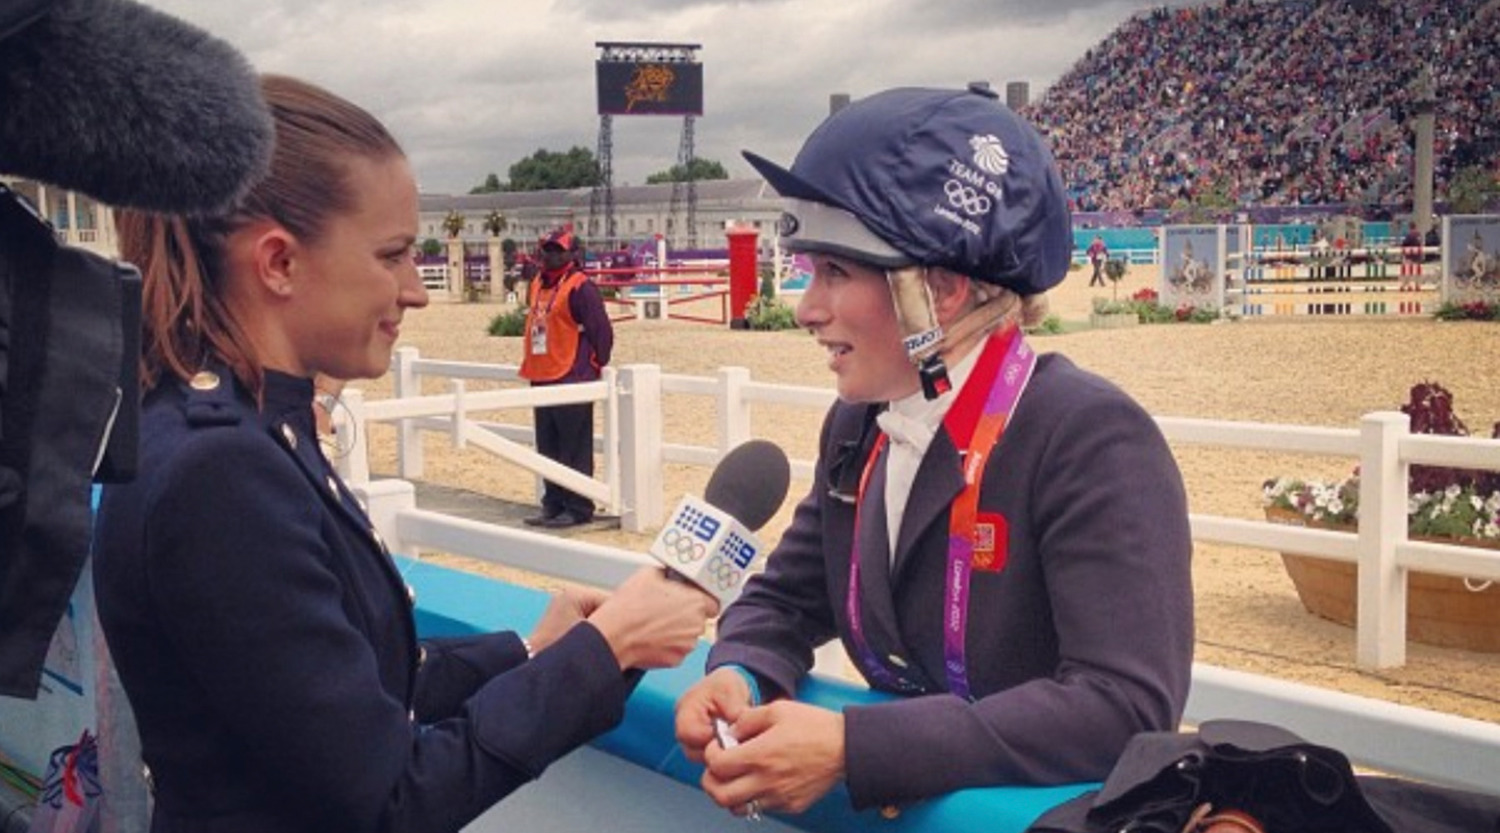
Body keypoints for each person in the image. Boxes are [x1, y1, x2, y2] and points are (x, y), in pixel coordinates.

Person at [92, 75, 716, 833]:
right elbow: (391, 798)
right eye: (391, 255)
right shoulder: (219, 470)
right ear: (279, 263)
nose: (414, 290)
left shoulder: (227, 424)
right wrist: (603, 650)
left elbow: (343, 693)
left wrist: (535, 646)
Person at [674, 85, 1193, 818]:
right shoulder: (857, 424)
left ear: (940, 290)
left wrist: (859, 748)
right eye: (806, 270)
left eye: (836, 272)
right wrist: (741, 671)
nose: (805, 308)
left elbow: (1125, 706)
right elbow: (788, 597)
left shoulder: (1091, 437)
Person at [518, 228, 614, 528]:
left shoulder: (580, 286)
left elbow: (602, 331)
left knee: (574, 447)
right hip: (542, 373)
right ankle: (553, 502)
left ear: (573, 254)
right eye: (547, 249)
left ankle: (578, 506)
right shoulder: (536, 283)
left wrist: (593, 364)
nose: (551, 255)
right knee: (547, 445)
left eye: (558, 250)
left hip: (571, 376)